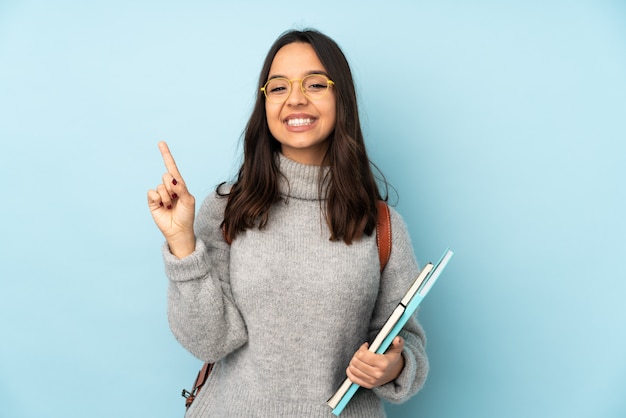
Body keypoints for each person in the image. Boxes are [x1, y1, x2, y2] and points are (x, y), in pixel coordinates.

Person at [147, 29, 429, 417]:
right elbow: (209, 342)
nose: (295, 98)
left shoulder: (380, 225)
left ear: (340, 97)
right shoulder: (228, 209)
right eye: (278, 88)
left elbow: (405, 344)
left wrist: (392, 366)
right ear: (264, 103)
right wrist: (182, 244)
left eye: (315, 84)